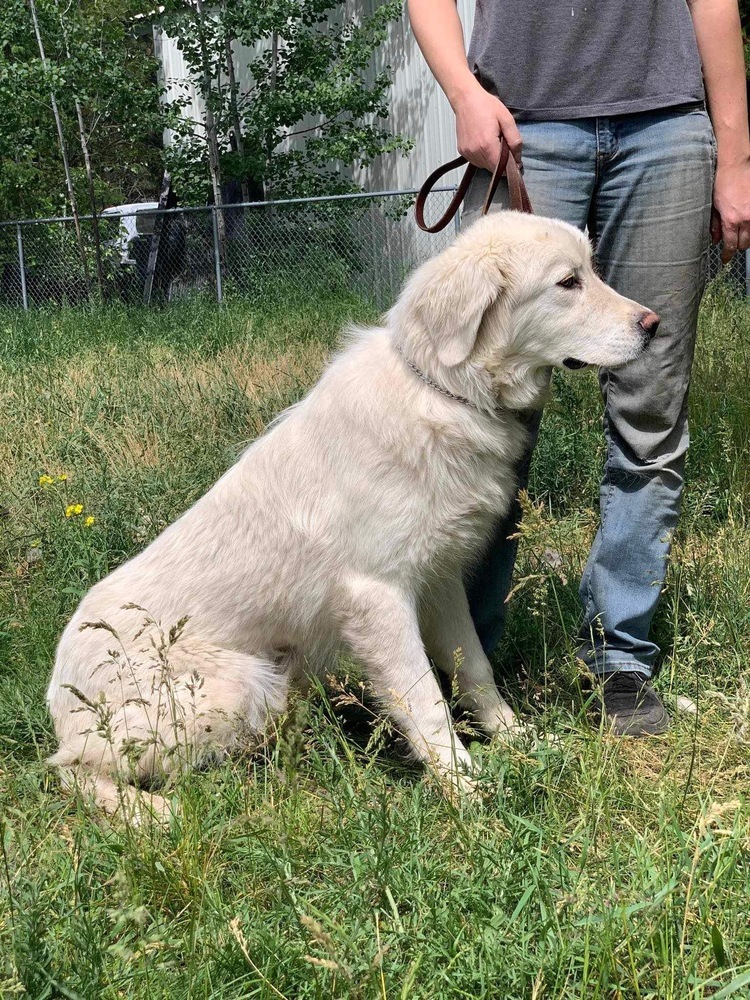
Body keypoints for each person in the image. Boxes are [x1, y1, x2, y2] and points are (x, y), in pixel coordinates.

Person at [408, 0, 750, 735]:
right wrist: (465, 93)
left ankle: (618, 659)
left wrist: (736, 159)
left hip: (666, 126)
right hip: (521, 126)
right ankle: (457, 670)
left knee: (650, 411)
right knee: (480, 411)